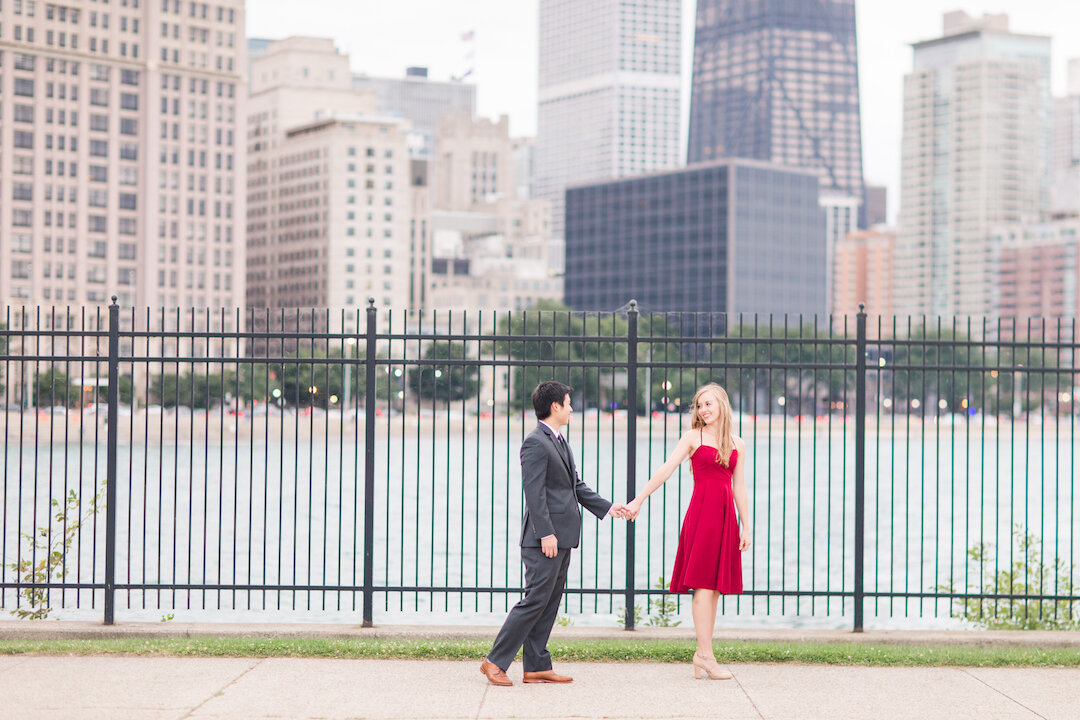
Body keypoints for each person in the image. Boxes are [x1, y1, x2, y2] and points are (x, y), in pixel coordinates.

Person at [480, 381, 629, 687]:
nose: (572, 407)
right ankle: (495, 661)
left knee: (549, 603)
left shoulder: (559, 441)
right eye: (568, 402)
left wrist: (608, 507)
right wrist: (545, 533)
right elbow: (533, 493)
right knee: (534, 601)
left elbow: (574, 486)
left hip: (562, 537)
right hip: (544, 539)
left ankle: (536, 666)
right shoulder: (536, 442)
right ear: (555, 407)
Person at [625, 383, 751, 680]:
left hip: (725, 519)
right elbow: (666, 468)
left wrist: (747, 526)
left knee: (716, 588)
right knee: (703, 587)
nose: (703, 410)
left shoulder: (738, 443)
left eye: (709, 404)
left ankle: (702, 654)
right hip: (703, 516)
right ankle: (705, 655)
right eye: (699, 405)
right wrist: (639, 499)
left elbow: (739, 487)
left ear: (722, 404)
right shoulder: (692, 437)